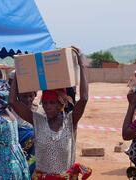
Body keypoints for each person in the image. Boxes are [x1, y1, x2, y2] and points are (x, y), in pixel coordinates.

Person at [9, 46, 92, 179]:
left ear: (61, 104)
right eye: (45, 103)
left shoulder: (70, 121)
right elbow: (12, 101)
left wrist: (81, 65)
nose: (47, 107)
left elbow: (84, 98)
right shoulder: (38, 120)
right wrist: (19, 71)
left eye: (52, 103)